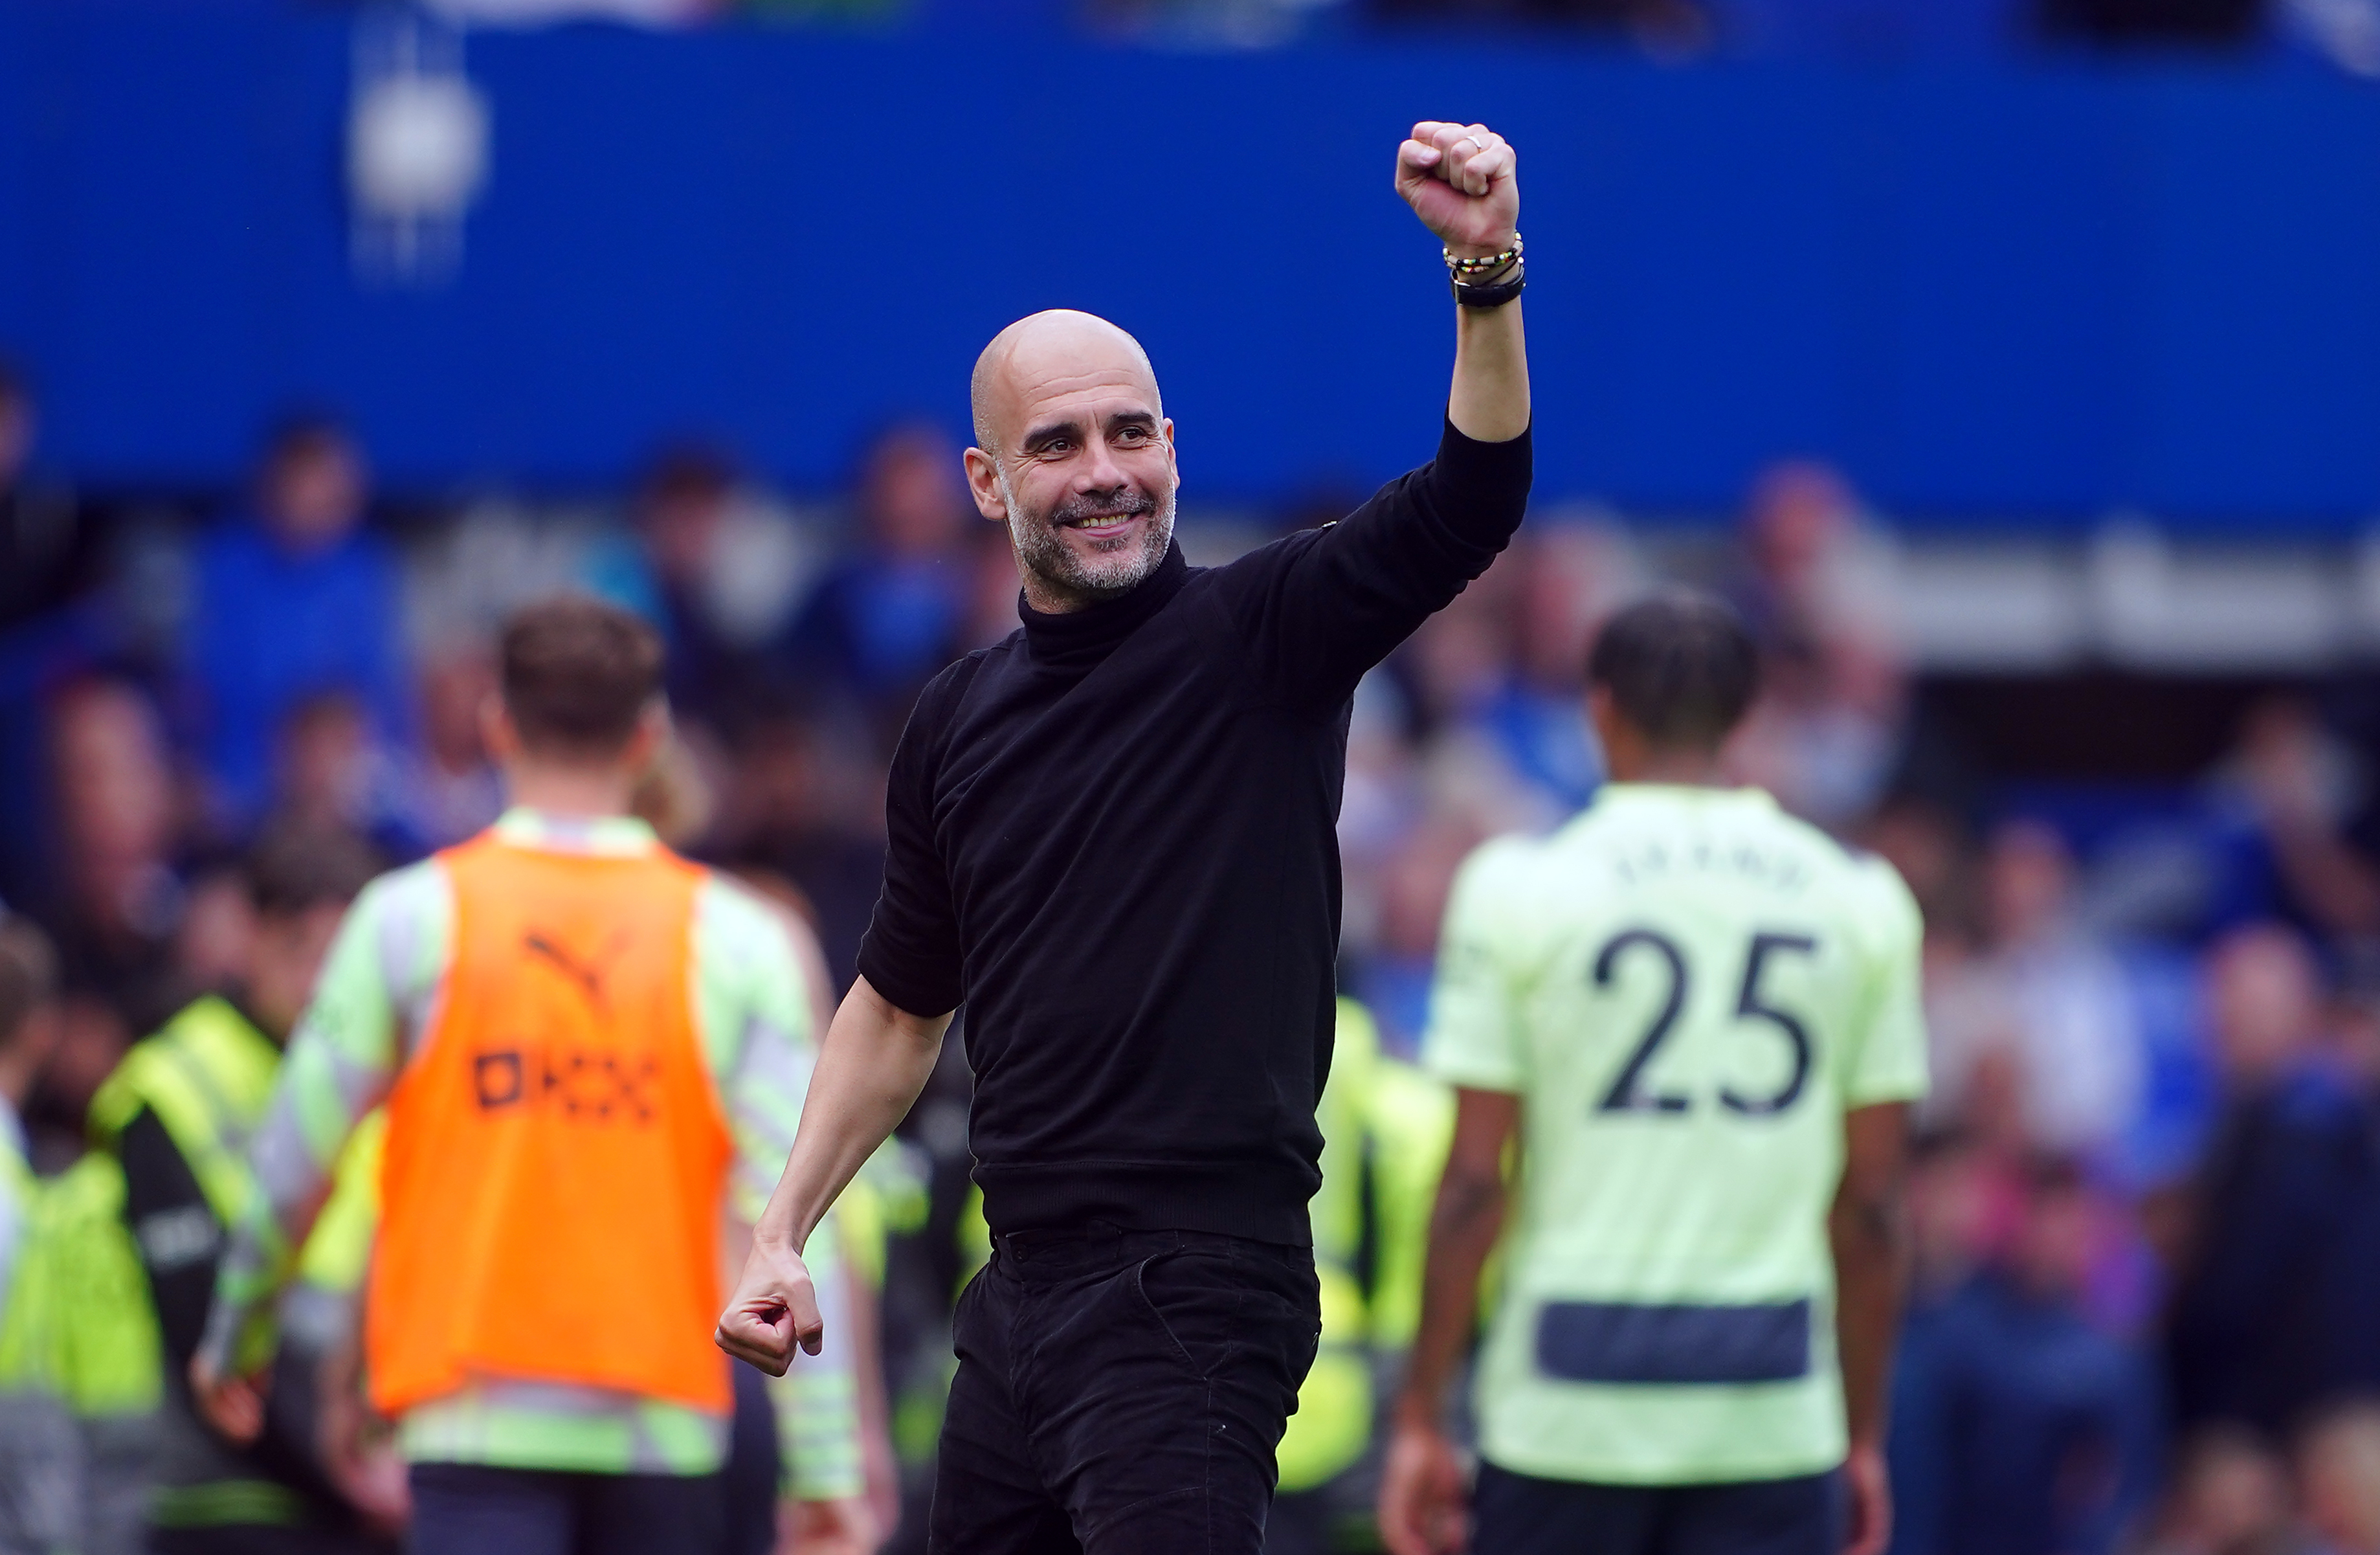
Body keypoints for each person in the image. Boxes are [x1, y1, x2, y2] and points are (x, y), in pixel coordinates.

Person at [716, 120, 1532, 1555]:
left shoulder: (1263, 633)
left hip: (1195, 1286)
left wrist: (1483, 271)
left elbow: (1472, 496)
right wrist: (782, 1225)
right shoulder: (954, 718)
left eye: (1128, 433)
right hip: (1016, 1295)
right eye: (1057, 445)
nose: (1102, 471)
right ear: (985, 484)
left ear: (1171, 446)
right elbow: (898, 1007)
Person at [189, 597, 874, 1554]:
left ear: (497, 724)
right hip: (663, 1421)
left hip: (470, 1415)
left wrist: (238, 1341)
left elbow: (291, 1168)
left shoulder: (409, 917)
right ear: (647, 737)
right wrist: (827, 1462)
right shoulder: (738, 937)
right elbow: (798, 1214)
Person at [1379, 590, 1930, 1555]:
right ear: (1747, 716)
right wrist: (1864, 1432)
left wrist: (1423, 1410)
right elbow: (1876, 1200)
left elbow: (1472, 1183)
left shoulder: (1519, 890)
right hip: (1768, 1413)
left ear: (1599, 711)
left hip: (1562, 1410)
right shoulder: (1860, 900)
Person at [86, 825, 390, 1553]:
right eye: (299, 949)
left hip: (365, 1481)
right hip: (221, 1493)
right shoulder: (171, 1086)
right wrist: (353, 1478)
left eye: (339, 957)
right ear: (249, 935)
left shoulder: (388, 1078)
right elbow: (195, 1318)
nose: (319, 981)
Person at [181, 417, 410, 829]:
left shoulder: (366, 572)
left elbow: (383, 697)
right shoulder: (225, 567)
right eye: (303, 483)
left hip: (348, 795)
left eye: (330, 486)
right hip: (241, 792)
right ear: (272, 487)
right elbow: (202, 692)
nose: (313, 499)